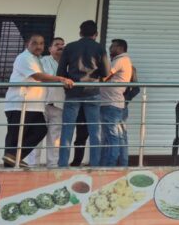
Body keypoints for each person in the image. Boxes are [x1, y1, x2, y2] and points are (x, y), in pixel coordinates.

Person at [3, 34, 74, 168]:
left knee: (40, 130)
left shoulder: (37, 60)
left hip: (35, 106)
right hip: (20, 104)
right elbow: (38, 76)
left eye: (41, 43)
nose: (38, 46)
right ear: (27, 45)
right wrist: (61, 79)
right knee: (15, 137)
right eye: (35, 43)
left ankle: (15, 157)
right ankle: (10, 166)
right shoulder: (25, 58)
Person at [57, 20, 110, 167]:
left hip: (73, 92)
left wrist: (67, 86)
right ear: (96, 34)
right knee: (94, 131)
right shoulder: (99, 48)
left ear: (80, 32)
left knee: (67, 130)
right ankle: (95, 164)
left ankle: (62, 164)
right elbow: (106, 72)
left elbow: (60, 72)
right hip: (92, 92)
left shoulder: (70, 47)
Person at [101, 39, 132, 166]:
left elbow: (106, 76)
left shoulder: (121, 60)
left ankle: (110, 165)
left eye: (112, 46)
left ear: (120, 48)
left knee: (112, 137)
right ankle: (120, 164)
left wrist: (90, 79)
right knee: (116, 137)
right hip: (113, 103)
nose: (110, 48)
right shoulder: (122, 60)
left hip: (111, 103)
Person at [41, 37, 65, 167]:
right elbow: (46, 76)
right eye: (57, 44)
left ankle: (52, 165)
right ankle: (33, 165)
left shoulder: (68, 62)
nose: (60, 46)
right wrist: (61, 79)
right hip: (42, 103)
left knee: (55, 137)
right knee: (37, 135)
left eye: (62, 44)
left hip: (59, 103)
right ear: (50, 48)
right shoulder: (43, 60)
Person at [116, 66, 140, 166]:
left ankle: (123, 164)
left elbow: (136, 89)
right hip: (108, 104)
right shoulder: (112, 67)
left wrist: (125, 100)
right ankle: (116, 163)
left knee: (121, 136)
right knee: (113, 136)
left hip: (120, 107)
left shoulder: (130, 68)